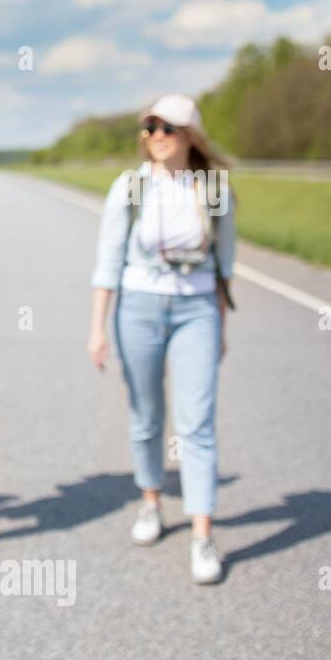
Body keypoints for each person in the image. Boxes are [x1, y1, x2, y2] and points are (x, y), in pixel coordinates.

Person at [87, 93, 236, 585]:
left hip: (196, 310)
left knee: (197, 422)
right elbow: (108, 261)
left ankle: (202, 534)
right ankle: (151, 501)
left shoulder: (213, 188)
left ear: (189, 134)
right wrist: (98, 329)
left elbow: (223, 264)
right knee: (147, 416)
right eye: (148, 128)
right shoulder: (129, 188)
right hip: (138, 307)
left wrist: (221, 325)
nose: (155, 137)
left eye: (166, 128)